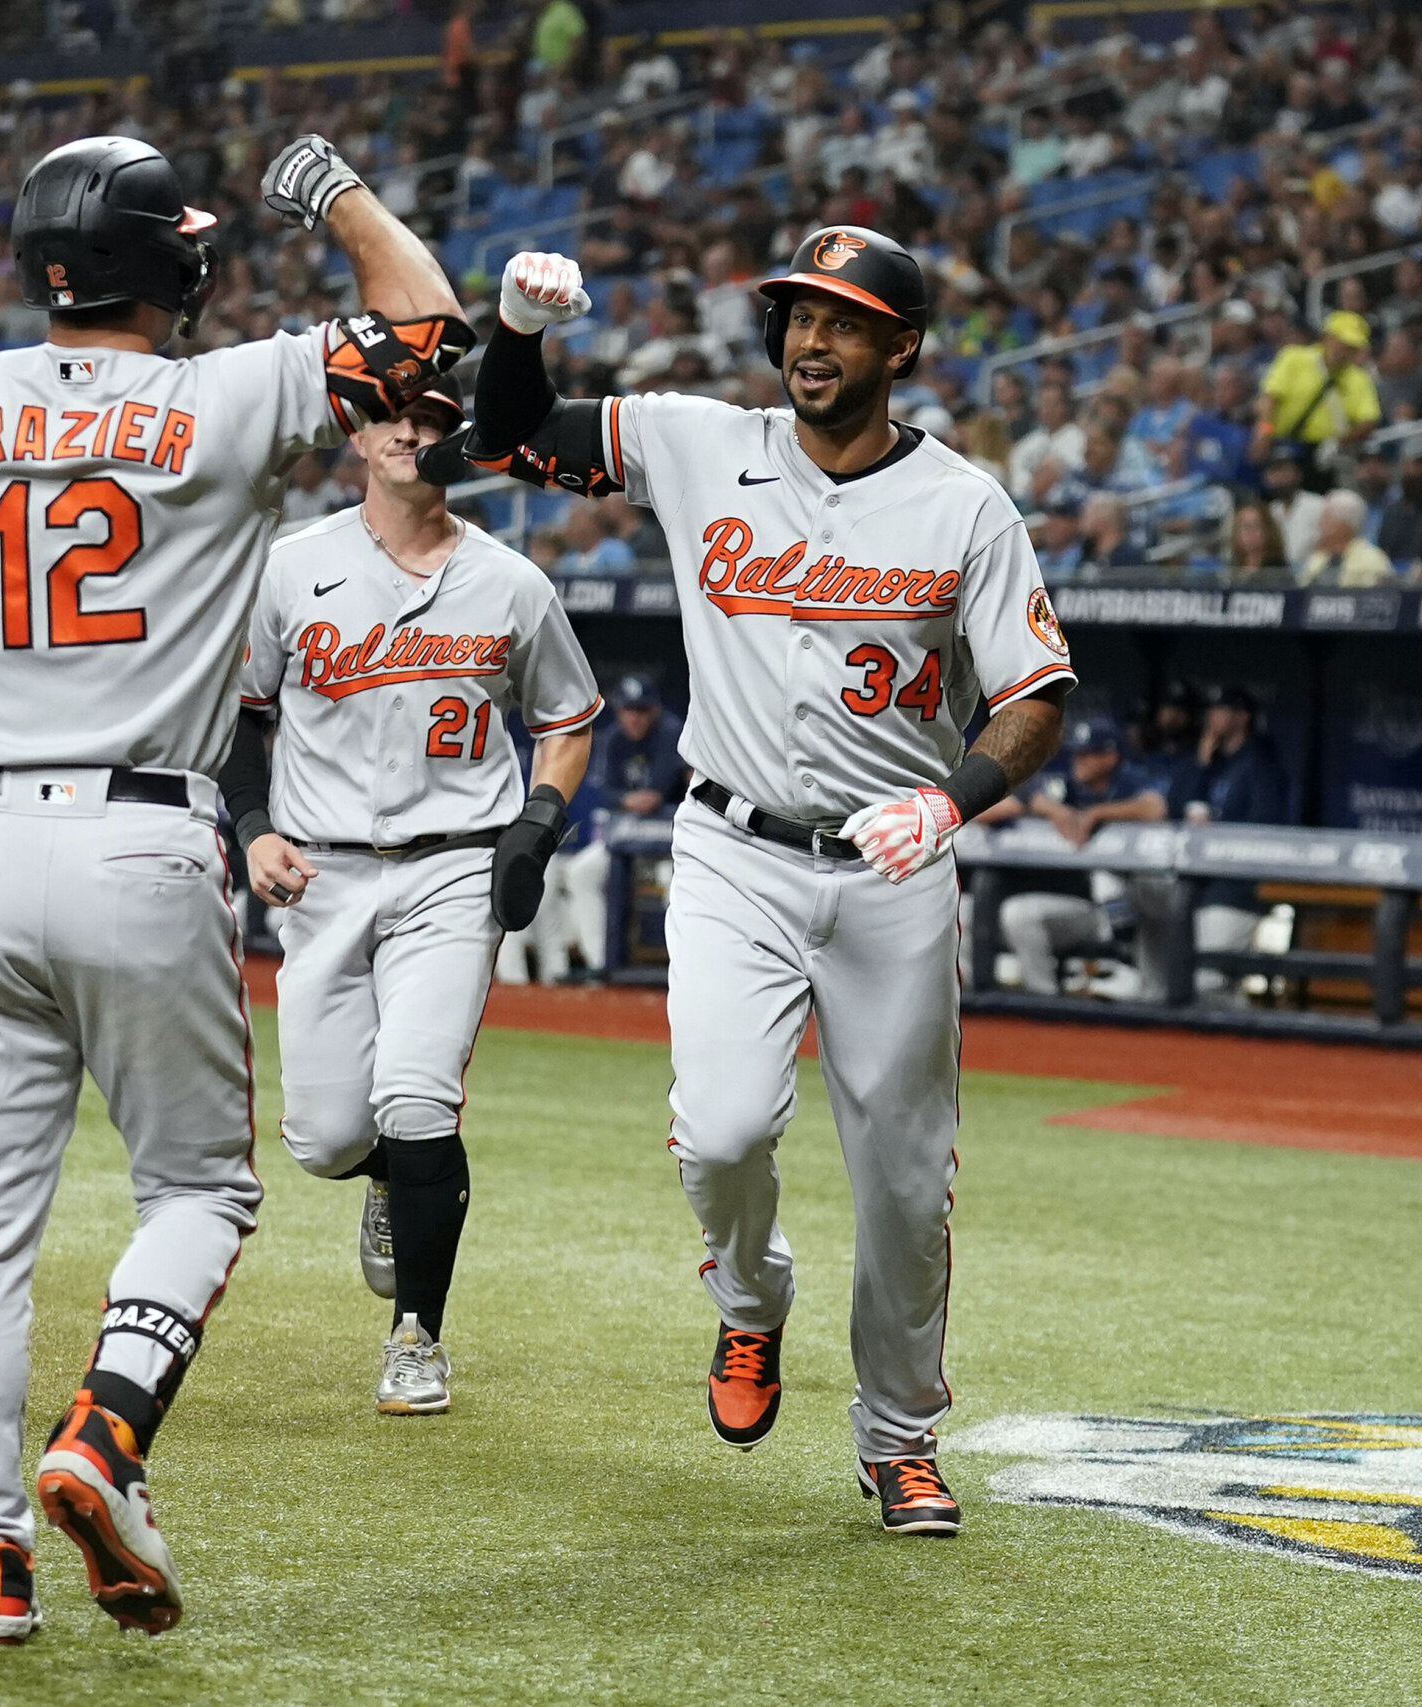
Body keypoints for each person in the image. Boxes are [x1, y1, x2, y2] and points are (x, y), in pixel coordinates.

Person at [0, 131, 468, 1641]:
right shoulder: (230, 395)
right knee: (199, 1187)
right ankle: (110, 1426)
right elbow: (427, 320)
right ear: (169, 264)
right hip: (147, 833)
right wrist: (329, 192)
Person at [430, 231, 1074, 1535]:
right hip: (731, 847)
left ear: (903, 346)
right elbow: (508, 436)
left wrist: (952, 796)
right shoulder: (691, 438)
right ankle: (748, 1296)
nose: (810, 342)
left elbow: (1036, 695)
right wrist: (513, 328)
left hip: (897, 861)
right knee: (721, 1129)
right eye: (794, 316)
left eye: (842, 322)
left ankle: (898, 1436)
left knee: (903, 1177)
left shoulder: (966, 506)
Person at [223, 377, 598, 1416]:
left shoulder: (512, 582)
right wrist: (251, 830)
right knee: (327, 1138)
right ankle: (388, 1177)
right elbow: (239, 718)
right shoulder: (290, 567)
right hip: (323, 870)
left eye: (434, 418)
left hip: (452, 868)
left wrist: (536, 824)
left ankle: (416, 1337)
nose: (411, 431)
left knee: (419, 1096)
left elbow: (568, 718)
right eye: (394, 414)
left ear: (458, 442)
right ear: (357, 434)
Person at [511, 672, 684, 983]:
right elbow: (605, 792)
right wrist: (629, 800)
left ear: (655, 710)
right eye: (630, 710)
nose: (635, 718)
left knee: (675, 890)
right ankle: (602, 964)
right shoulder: (614, 739)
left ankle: (678, 971)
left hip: (674, 844)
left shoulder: (671, 733)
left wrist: (633, 800)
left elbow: (656, 793)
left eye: (642, 710)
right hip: (626, 837)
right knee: (582, 872)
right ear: (619, 711)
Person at [989, 714, 1169, 997]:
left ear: (1110, 757)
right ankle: (1044, 1001)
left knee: (1115, 881)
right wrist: (1053, 809)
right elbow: (997, 805)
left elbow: (1155, 808)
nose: (1078, 760)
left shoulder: (1128, 780)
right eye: (1077, 753)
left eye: (1088, 754)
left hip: (1132, 908)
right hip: (1084, 910)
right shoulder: (1066, 784)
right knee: (1018, 914)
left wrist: (1097, 813)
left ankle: (1132, 975)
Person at [1139, 684, 1292, 1003]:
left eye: (1221, 710)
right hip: (1193, 886)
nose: (1212, 716)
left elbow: (1266, 828)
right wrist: (1201, 762)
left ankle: (1252, 1038)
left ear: (1242, 718)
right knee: (1182, 980)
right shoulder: (1209, 762)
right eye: (1212, 710)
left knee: (1208, 982)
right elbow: (1173, 807)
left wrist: (1216, 831)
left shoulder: (1260, 766)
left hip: (1234, 889)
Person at [1253, 309, 1380, 466]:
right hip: (1284, 443)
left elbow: (1369, 419)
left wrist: (1339, 443)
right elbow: (1270, 397)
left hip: (1324, 452)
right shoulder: (1293, 358)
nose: (1345, 352)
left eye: (1352, 347)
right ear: (1328, 337)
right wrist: (1264, 432)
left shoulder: (1359, 379)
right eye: (1343, 344)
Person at [1298, 488, 1396, 586]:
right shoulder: (1317, 559)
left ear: (1343, 525)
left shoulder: (1373, 561)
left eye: (1325, 519)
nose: (1319, 524)